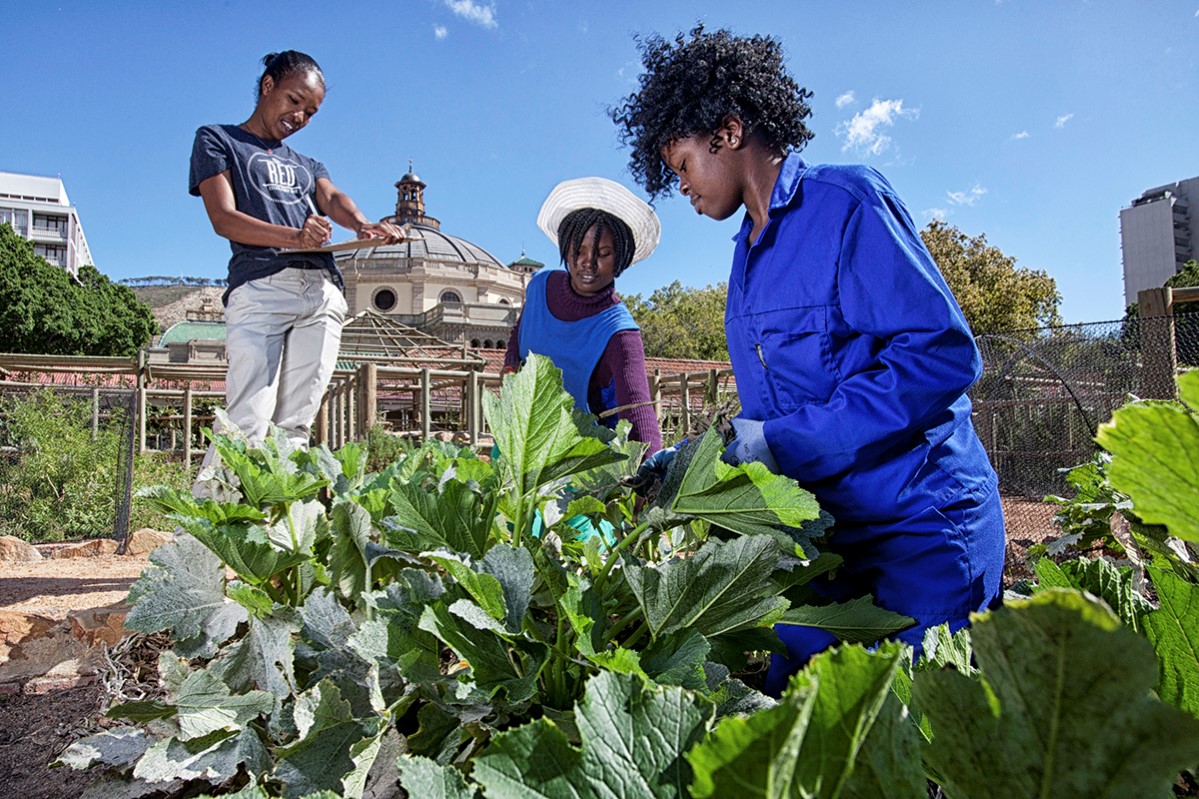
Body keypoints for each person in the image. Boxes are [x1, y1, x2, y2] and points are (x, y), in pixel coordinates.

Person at [612, 26, 1005, 695]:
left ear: (728, 132)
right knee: (795, 725)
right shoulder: (745, 256)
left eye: (681, 165)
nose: (679, 186)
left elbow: (938, 357)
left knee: (920, 740)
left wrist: (778, 440)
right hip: (823, 542)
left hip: (917, 532)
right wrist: (695, 457)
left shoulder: (846, 204)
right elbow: (786, 402)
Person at [188, 50, 404, 450]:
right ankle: (221, 511)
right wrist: (294, 237)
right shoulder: (218, 140)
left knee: (295, 427)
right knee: (246, 421)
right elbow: (223, 218)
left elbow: (332, 196)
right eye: (294, 101)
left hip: (321, 292)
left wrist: (361, 224)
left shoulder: (307, 163)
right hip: (261, 284)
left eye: (311, 112)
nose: (300, 117)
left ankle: (281, 514)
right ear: (268, 86)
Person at [503, 177, 663, 455]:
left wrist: (650, 479)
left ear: (621, 258)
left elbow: (638, 415)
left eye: (603, 253)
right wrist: (509, 372)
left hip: (579, 467)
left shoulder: (620, 333)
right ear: (566, 249)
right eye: (578, 251)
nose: (587, 263)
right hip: (520, 441)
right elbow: (518, 338)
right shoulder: (539, 286)